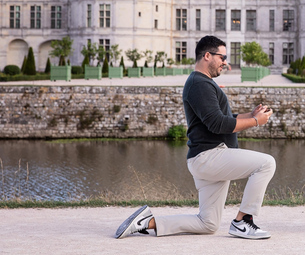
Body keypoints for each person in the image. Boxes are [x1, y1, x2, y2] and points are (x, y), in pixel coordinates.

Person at [115, 35, 276, 240]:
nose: (225, 63)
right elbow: (218, 124)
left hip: (205, 159)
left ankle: (147, 222)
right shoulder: (199, 84)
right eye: (222, 57)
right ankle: (243, 221)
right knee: (266, 164)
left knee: (207, 223)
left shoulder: (201, 83)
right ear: (207, 55)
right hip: (210, 156)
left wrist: (251, 115)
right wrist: (255, 122)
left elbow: (222, 119)